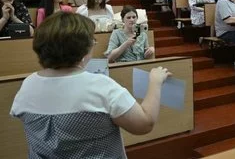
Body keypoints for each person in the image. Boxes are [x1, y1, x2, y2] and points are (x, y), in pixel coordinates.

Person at [11, 11, 170, 158]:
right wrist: (155, 81)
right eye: (92, 40)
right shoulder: (99, 85)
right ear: (82, 47)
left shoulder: (28, 84)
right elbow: (144, 124)